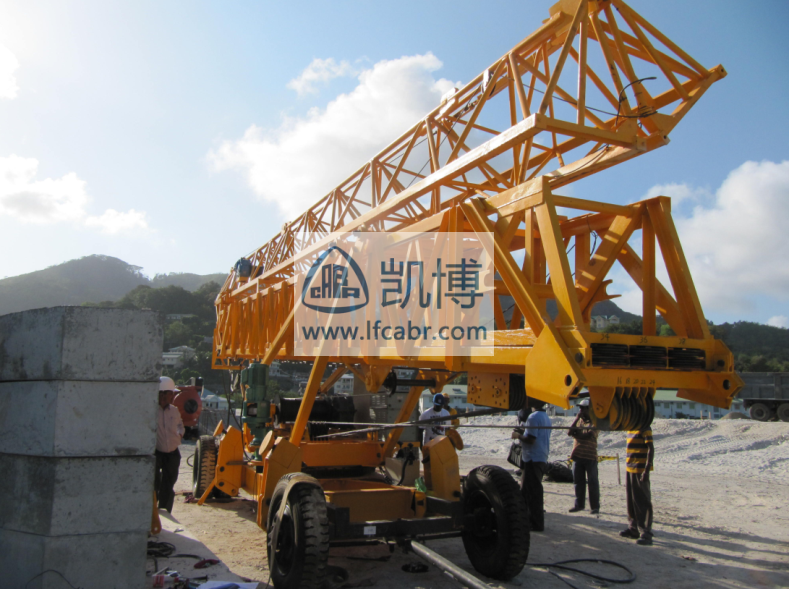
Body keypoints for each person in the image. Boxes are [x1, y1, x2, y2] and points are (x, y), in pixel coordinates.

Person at [512, 398, 551, 531]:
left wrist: (518, 436)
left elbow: (531, 439)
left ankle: (535, 524)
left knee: (533, 492)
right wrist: (523, 432)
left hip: (532, 458)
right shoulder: (545, 417)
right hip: (540, 456)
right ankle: (529, 520)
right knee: (528, 490)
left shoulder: (533, 417)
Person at [620, 428, 655, 545]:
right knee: (631, 501)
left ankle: (646, 532)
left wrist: (646, 471)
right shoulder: (631, 428)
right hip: (630, 468)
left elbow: (651, 448)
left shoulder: (644, 427)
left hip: (640, 469)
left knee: (643, 501)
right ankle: (633, 528)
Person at [156, 376, 184, 513]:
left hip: (172, 453)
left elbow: (180, 426)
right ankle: (152, 511)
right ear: (162, 394)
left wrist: (180, 434)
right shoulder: (150, 410)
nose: (173, 396)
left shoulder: (174, 410)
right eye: (171, 393)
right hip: (156, 452)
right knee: (154, 483)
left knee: (169, 484)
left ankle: (165, 512)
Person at [567, 399, 600, 514]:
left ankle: (594, 507)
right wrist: (576, 419)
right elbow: (570, 432)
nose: (581, 410)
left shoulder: (595, 421)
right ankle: (579, 505)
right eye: (580, 408)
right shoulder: (579, 421)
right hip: (577, 455)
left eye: (583, 408)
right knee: (578, 482)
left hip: (590, 456)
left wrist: (577, 435)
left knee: (592, 482)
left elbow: (590, 435)